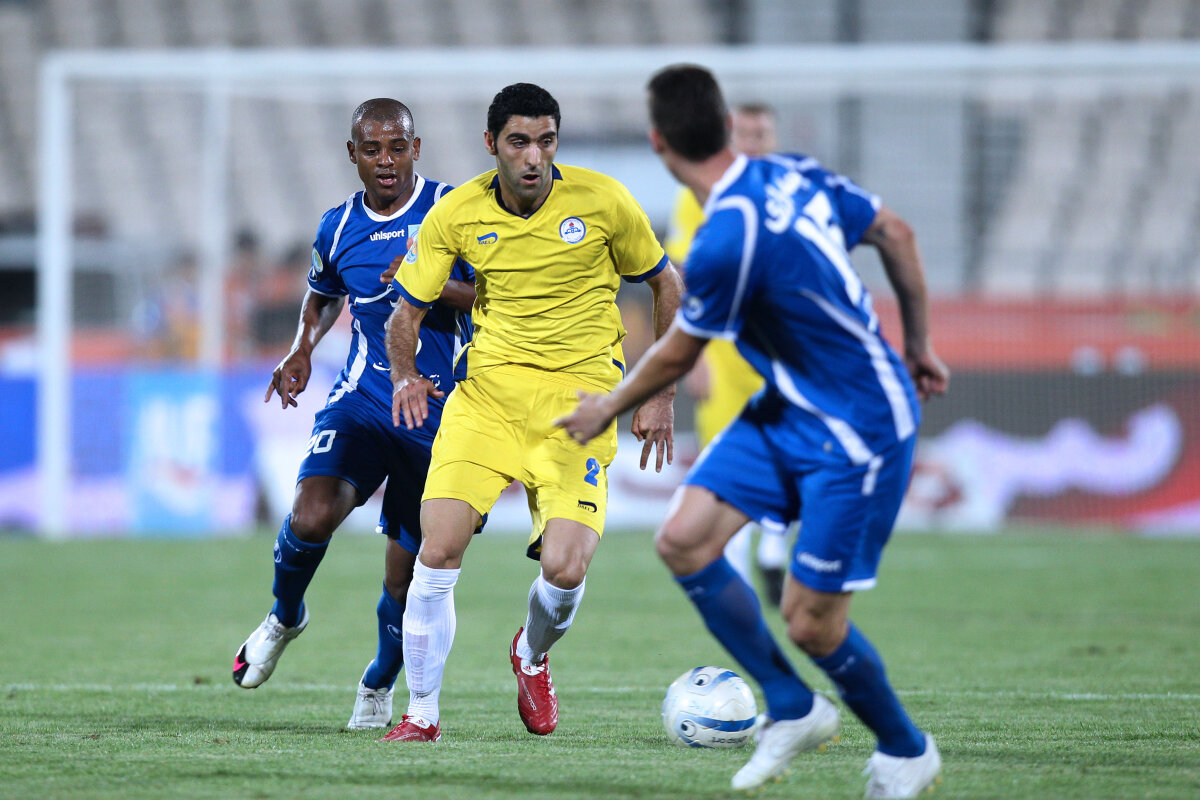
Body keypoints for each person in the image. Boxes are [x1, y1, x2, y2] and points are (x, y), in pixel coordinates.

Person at [557, 65, 949, 799]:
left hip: (859, 426)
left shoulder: (724, 238)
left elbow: (681, 351)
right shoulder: (791, 173)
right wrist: (919, 344)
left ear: (658, 141)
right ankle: (792, 706)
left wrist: (606, 407)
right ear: (725, 127)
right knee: (684, 540)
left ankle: (906, 750)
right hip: (791, 406)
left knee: (811, 625)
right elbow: (896, 232)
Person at [383, 82, 682, 743]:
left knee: (565, 569)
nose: (533, 157)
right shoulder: (456, 213)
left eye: (546, 142)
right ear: (491, 144)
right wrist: (405, 375)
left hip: (581, 406)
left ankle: (532, 653)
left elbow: (666, 282)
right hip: (486, 401)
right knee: (438, 548)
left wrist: (659, 393)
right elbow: (406, 312)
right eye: (519, 142)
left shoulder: (603, 201)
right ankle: (421, 714)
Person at [232, 98, 476, 733]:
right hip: (364, 400)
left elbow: (495, 293)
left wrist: (428, 282)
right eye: (372, 150)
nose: (386, 161)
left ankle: (378, 682)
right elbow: (321, 297)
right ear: (353, 155)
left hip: (443, 417)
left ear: (415, 149)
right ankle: (284, 615)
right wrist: (300, 350)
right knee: (310, 514)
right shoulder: (337, 226)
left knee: (408, 577)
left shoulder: (455, 210)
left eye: (397, 147)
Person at [665, 102, 788, 606]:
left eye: (763, 133)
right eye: (746, 134)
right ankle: (740, 581)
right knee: (724, 466)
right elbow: (681, 274)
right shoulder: (698, 192)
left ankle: (774, 545)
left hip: (782, 347)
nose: (755, 142)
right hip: (723, 349)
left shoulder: (788, 191)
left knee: (787, 451)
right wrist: (693, 356)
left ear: (773, 138)